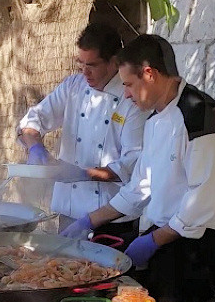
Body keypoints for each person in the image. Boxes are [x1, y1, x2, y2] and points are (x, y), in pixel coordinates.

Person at [61, 34, 215, 302]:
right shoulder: (156, 118)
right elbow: (139, 188)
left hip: (196, 247)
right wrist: (89, 221)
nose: (127, 94)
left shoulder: (198, 112)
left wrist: (155, 240)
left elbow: (205, 193)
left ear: (149, 74)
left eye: (129, 85)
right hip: (163, 241)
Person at [17, 22, 148, 241]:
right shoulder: (73, 87)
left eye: (93, 65)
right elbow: (34, 120)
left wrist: (80, 174)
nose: (85, 72)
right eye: (81, 64)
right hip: (69, 210)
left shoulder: (131, 100)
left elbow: (132, 164)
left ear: (114, 62)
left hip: (111, 217)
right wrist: (35, 147)